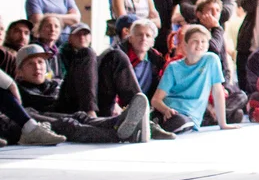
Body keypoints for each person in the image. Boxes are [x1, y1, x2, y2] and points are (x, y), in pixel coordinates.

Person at [8, 48, 152, 144]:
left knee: (116, 56)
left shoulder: (56, 84)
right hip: (64, 116)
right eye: (30, 64)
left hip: (85, 109)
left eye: (40, 62)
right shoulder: (16, 91)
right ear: (19, 72)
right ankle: (102, 119)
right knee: (85, 53)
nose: (37, 67)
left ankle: (144, 119)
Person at [152, 24, 237, 133]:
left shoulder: (211, 60)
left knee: (183, 122)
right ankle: (150, 124)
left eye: (203, 41)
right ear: (185, 45)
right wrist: (166, 110)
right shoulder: (173, 67)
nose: (199, 44)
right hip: (168, 111)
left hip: (189, 117)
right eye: (195, 41)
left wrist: (223, 124)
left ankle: (154, 127)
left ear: (207, 46)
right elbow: (156, 100)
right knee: (158, 116)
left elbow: (218, 92)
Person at [194, 0, 247, 125]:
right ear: (199, 14)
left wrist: (226, 86)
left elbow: (224, 62)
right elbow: (213, 49)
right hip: (201, 86)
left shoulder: (219, 33)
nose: (214, 14)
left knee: (242, 97)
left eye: (217, 11)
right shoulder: (195, 32)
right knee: (236, 115)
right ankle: (216, 115)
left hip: (219, 85)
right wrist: (217, 28)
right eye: (210, 10)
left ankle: (214, 116)